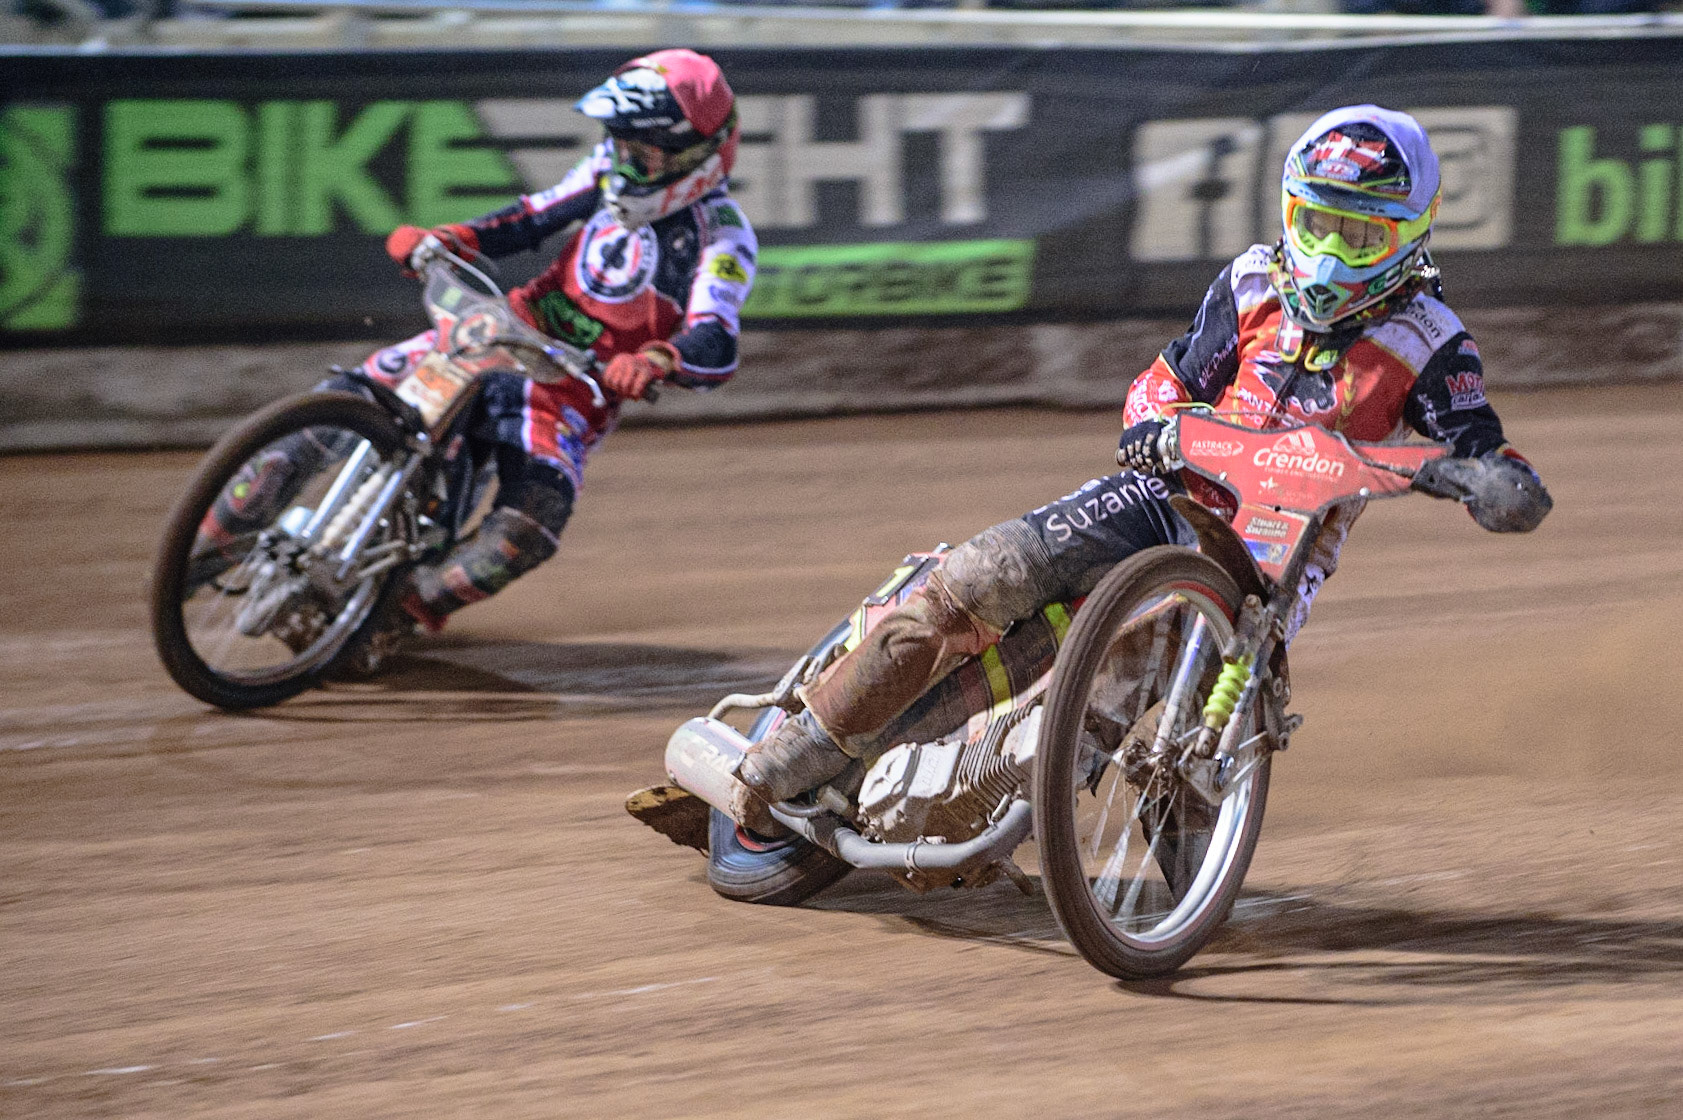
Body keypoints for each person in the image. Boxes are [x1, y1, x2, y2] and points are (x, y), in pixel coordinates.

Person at [727, 104, 1552, 832]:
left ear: (1412, 233)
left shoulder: (1433, 341)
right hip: (1161, 496)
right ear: (1288, 213)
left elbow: (1478, 440)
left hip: (1266, 566)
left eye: (1360, 234)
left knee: (1104, 724)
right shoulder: (1251, 282)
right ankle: (787, 756)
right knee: (981, 577)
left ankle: (1024, 814)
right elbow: (1169, 380)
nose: (1331, 254)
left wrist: (1493, 478)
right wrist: (1152, 427)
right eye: (1317, 224)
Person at [201, 49, 756, 659]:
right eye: (622, 143)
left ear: (697, 155)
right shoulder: (605, 172)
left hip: (568, 388)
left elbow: (716, 334)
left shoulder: (723, 236)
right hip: (496, 329)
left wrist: (656, 360)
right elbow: (528, 218)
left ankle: (398, 609)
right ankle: (209, 543)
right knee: (337, 404)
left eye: (644, 151)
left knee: (529, 529)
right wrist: (451, 238)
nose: (627, 160)